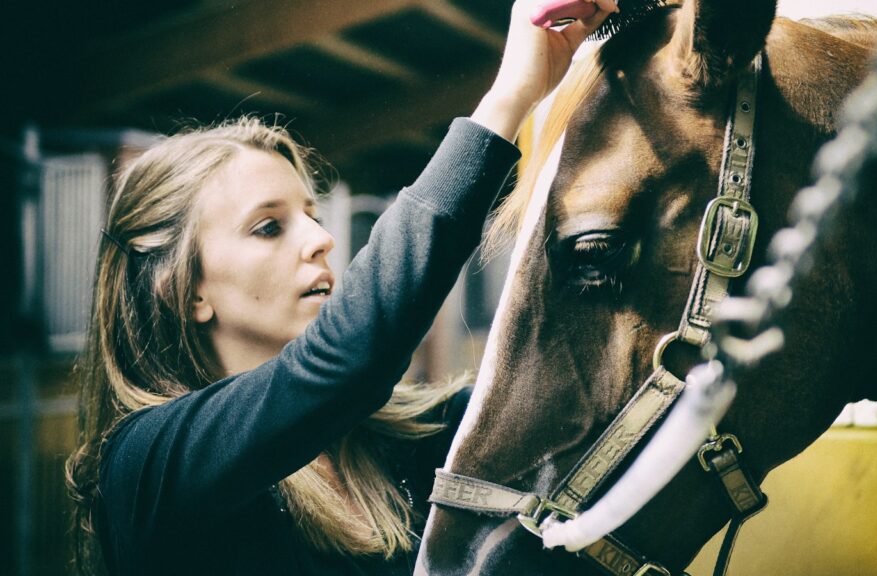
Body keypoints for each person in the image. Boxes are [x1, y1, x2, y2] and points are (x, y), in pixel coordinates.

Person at [64, 1, 618, 574]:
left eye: (311, 214)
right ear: (186, 293)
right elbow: (348, 359)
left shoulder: (412, 438)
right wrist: (509, 98)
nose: (321, 239)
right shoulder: (147, 468)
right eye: (268, 227)